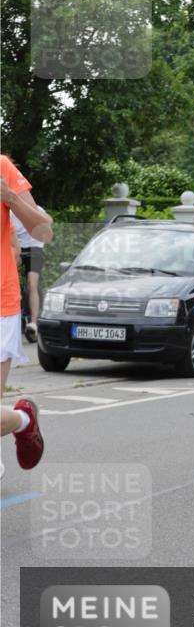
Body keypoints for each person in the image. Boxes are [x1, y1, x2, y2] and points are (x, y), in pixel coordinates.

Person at [1, 155, 53, 476]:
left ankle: (24, 420)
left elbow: (44, 232)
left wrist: (10, 198)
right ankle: (22, 420)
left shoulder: (2, 167)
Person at [11, 206, 47, 342]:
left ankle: (33, 323)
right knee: (10, 279)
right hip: (18, 249)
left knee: (32, 283)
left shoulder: (38, 210)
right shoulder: (10, 212)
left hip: (35, 249)